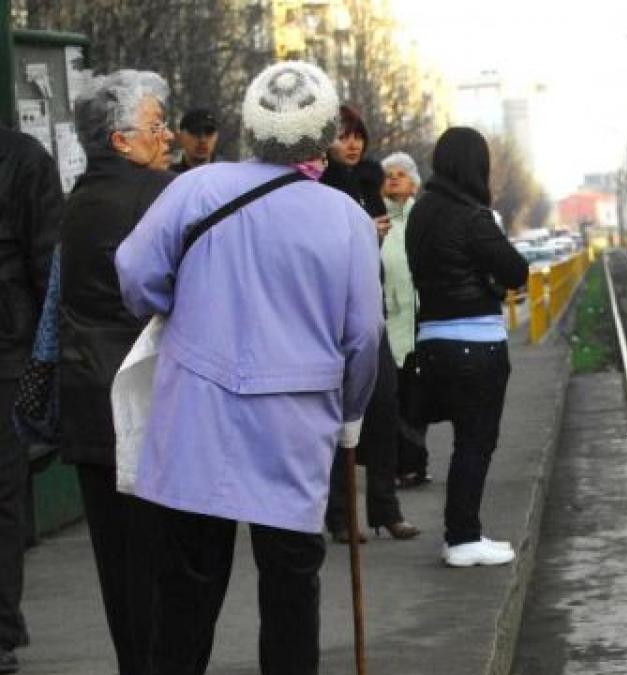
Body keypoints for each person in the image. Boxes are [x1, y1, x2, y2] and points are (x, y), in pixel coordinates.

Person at [114, 61, 382, 674]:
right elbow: (363, 337)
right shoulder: (344, 218)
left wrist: (177, 307)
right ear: (321, 135)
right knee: (291, 584)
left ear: (250, 127)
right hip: (294, 425)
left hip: (195, 411)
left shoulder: (193, 190)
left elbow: (134, 273)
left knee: (185, 589)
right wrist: (351, 414)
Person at [58, 69, 175, 675]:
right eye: (157, 127)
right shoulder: (157, 200)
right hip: (147, 407)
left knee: (120, 573)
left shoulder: (76, 202)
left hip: (88, 405)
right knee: (163, 576)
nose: (169, 137)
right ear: (122, 139)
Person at [406, 127, 528, 567]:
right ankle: (462, 538)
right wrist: (490, 278)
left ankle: (466, 533)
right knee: (475, 443)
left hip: (433, 342)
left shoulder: (421, 212)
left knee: (464, 443)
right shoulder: (473, 217)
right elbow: (515, 271)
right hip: (476, 345)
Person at [322, 107, 418, 543]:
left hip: (370, 306)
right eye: (343, 136)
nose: (352, 143)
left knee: (383, 406)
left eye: (357, 135)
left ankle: (386, 508)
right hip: (330, 313)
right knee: (338, 415)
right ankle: (341, 516)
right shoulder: (318, 184)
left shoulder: (369, 180)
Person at [0, 127, 64, 673]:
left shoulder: (24, 160)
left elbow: (47, 263)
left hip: (7, 351)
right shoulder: (24, 159)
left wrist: (47, 355)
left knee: (2, 492)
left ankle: (0, 630)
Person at [379, 152, 430, 488]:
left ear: (414, 183)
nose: (394, 178)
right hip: (387, 320)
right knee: (392, 397)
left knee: (417, 397)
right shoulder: (378, 222)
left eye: (401, 174)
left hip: (420, 319)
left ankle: (415, 464)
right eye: (389, 174)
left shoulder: (423, 220)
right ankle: (398, 465)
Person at [169, 108, 219, 173]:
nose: (202, 140)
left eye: (209, 132)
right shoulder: (168, 179)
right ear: (180, 137)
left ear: (216, 136)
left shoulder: (226, 177)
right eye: (195, 132)